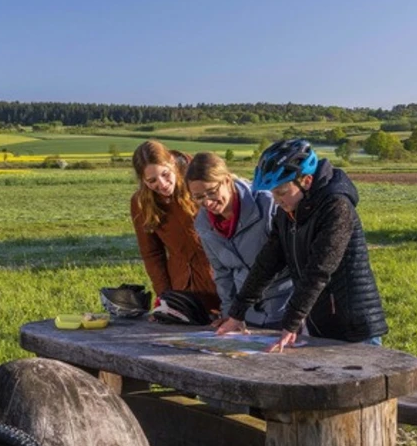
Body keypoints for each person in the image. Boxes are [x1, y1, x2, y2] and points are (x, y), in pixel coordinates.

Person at [216, 139, 387, 352]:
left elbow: (319, 270)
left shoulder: (337, 207)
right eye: (273, 193)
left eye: (281, 192)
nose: (276, 200)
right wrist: (237, 313)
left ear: (306, 181)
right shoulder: (288, 212)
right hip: (319, 323)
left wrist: (291, 322)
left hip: (354, 328)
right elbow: (266, 264)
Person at [185, 151, 293, 329]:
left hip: (284, 306)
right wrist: (229, 314)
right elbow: (222, 274)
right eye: (198, 197)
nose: (208, 202)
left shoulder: (268, 205)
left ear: (227, 180)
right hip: (246, 315)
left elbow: (296, 258)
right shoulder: (203, 224)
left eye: (211, 192)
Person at [128, 141, 220, 321]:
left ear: (172, 163)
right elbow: (152, 254)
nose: (161, 184)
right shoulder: (141, 202)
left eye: (165, 174)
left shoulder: (198, 182)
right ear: (142, 180)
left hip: (220, 278)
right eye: (151, 180)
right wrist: (165, 297)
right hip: (181, 285)